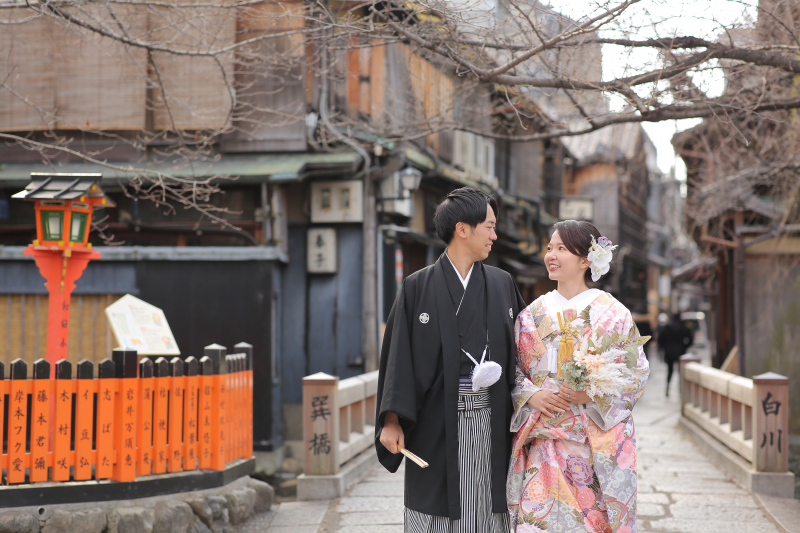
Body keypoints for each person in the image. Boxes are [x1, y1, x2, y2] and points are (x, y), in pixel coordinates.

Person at [375, 187, 526, 533]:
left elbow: (526, 352)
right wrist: (392, 419)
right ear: (462, 229)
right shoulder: (417, 287)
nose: (494, 235)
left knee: (489, 502)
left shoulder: (502, 284)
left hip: (493, 416)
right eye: (488, 226)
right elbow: (398, 356)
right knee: (436, 506)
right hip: (435, 420)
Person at [507, 220, 650, 533]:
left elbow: (635, 371)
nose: (551, 255)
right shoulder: (531, 313)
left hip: (591, 444)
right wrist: (532, 394)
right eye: (549, 248)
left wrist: (595, 393)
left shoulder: (613, 312)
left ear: (587, 260)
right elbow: (513, 370)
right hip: (544, 442)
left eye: (561, 248)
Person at [657, 313, 694, 397]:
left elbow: (660, 340)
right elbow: (690, 339)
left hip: (669, 352)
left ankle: (667, 388)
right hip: (681, 352)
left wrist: (664, 348)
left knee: (670, 371)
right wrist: (685, 346)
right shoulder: (683, 327)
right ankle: (681, 389)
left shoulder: (667, 327)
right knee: (681, 372)